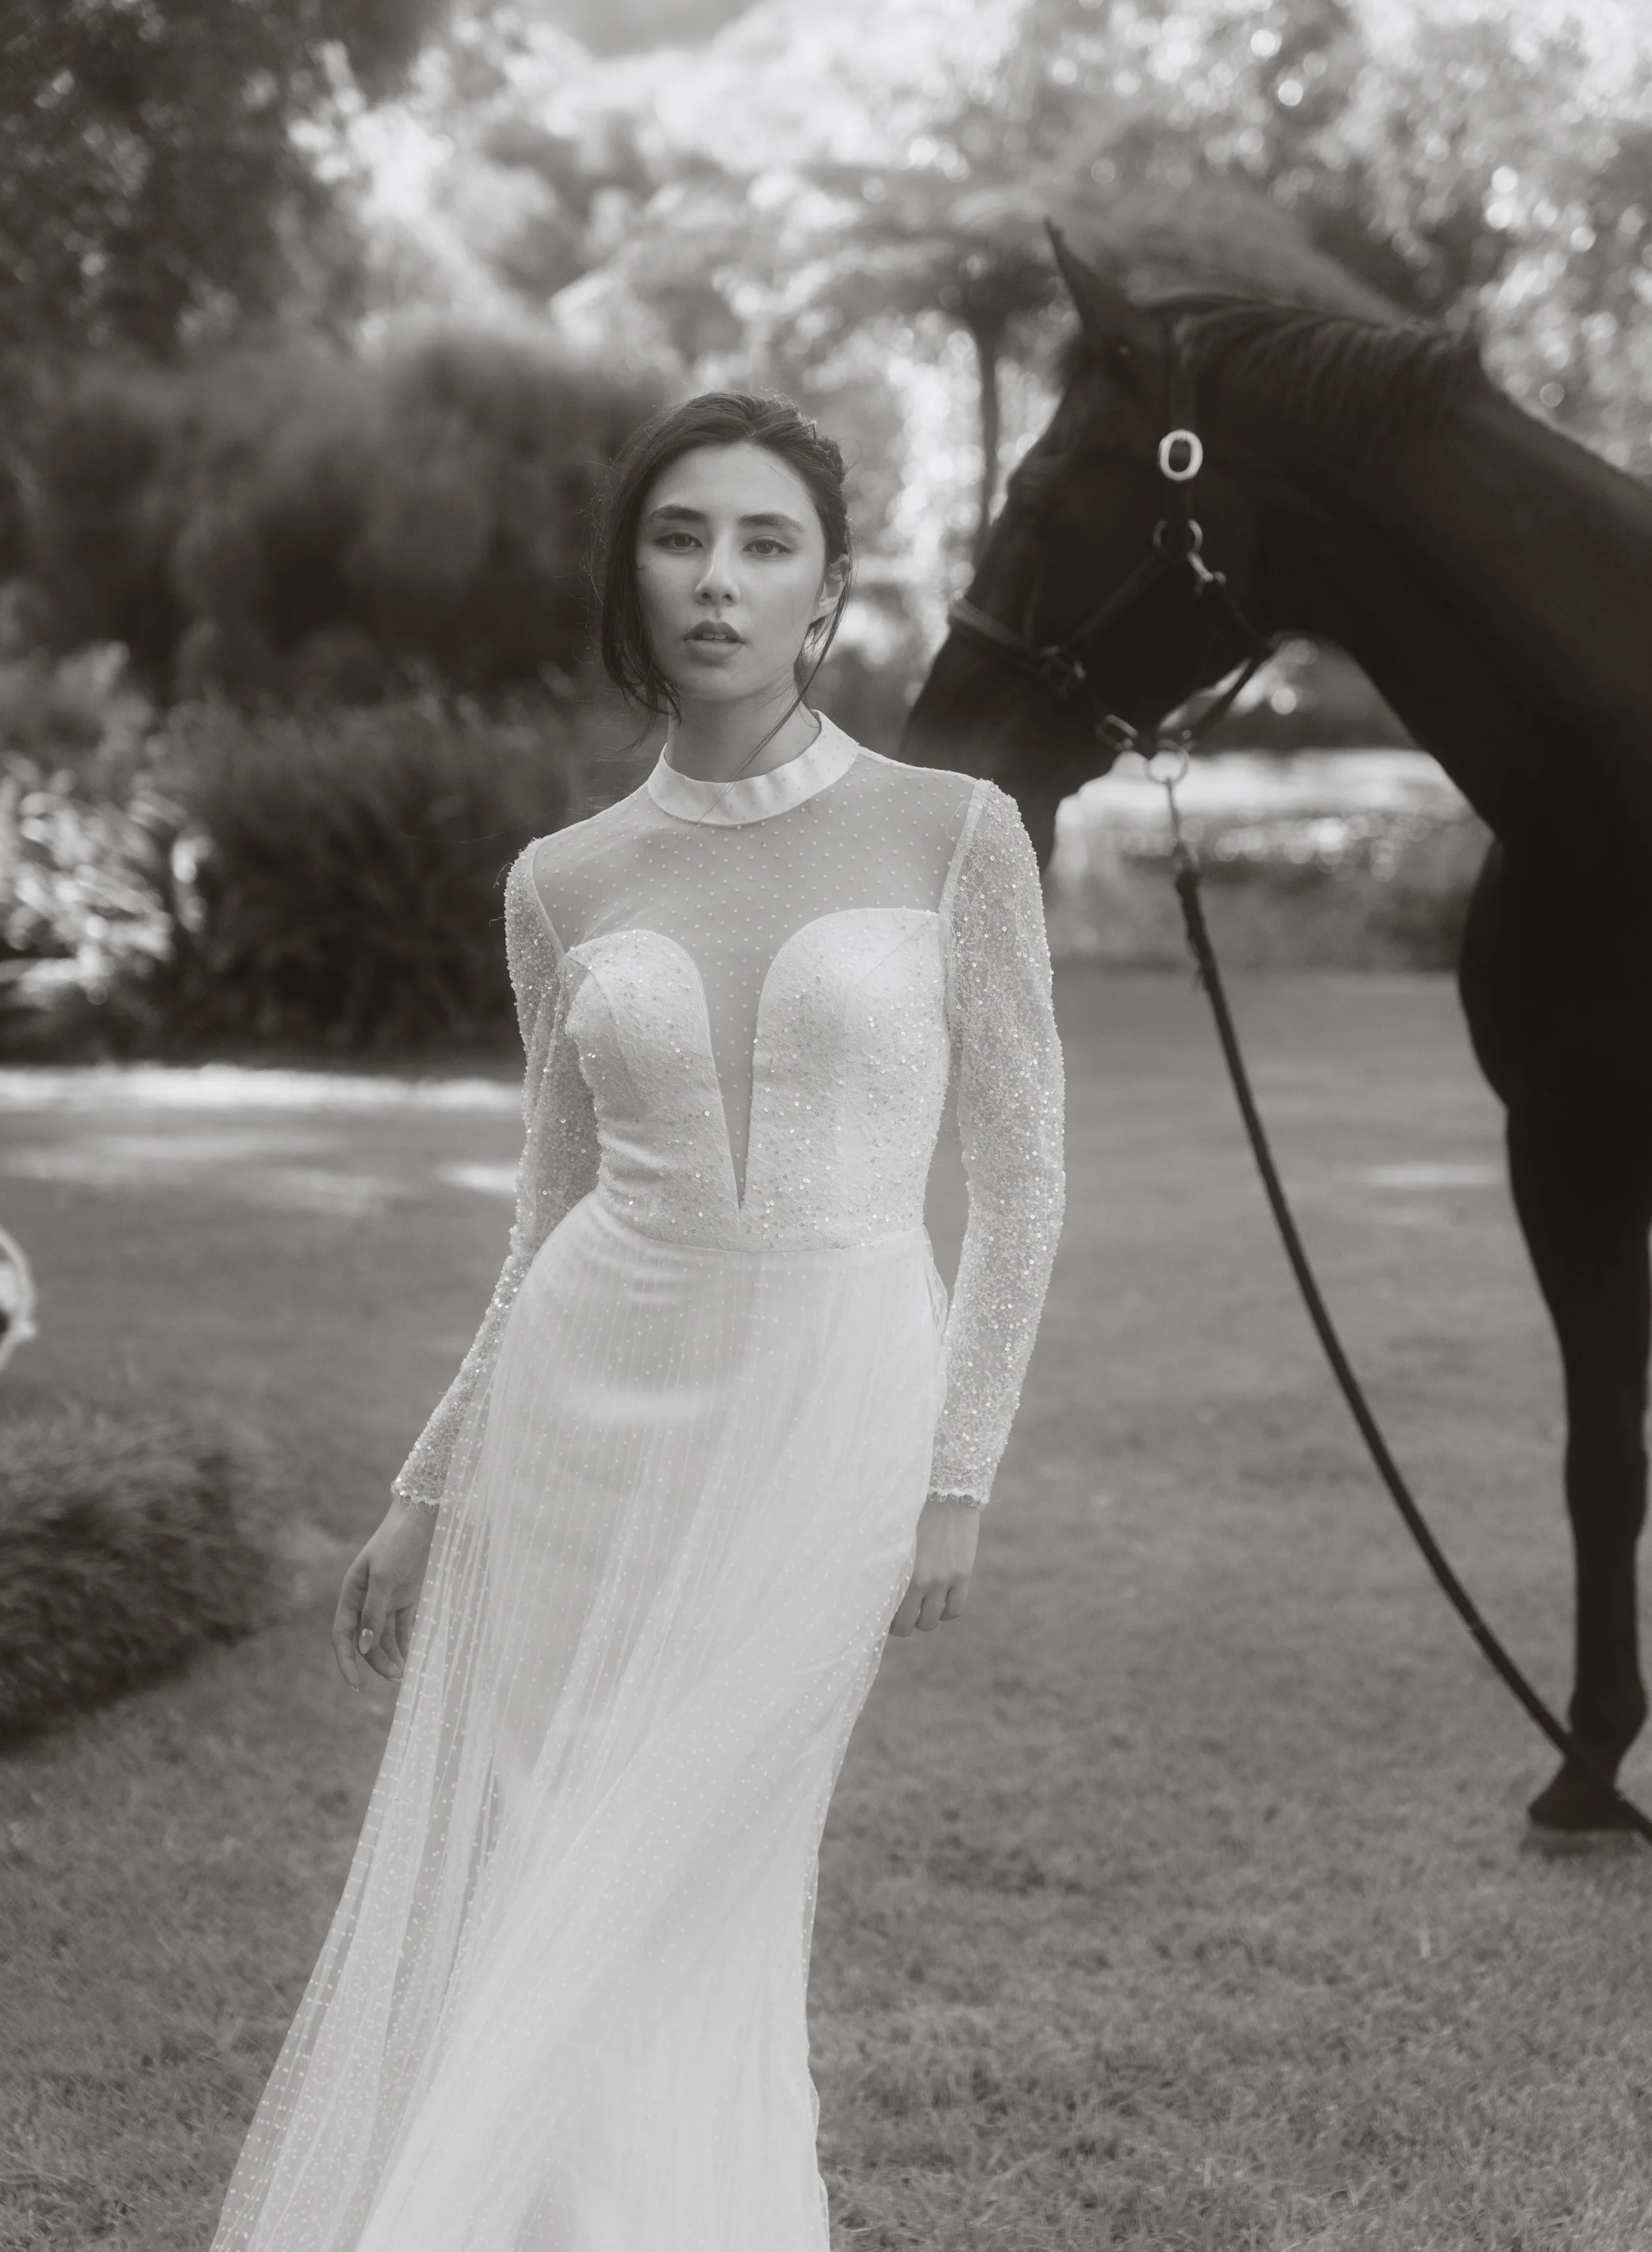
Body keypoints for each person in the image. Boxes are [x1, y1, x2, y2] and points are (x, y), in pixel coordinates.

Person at [209, 391, 1065, 2252]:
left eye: (766, 543)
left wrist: (959, 1473)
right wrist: (427, 1491)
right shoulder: (564, 879)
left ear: (828, 592)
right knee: (556, 1864)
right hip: (582, 1419)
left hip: (835, 1408)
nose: (717, 580)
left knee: (696, 1869)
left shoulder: (955, 836)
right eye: (680, 537)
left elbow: (1021, 1180)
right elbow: (546, 1214)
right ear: (630, 576)